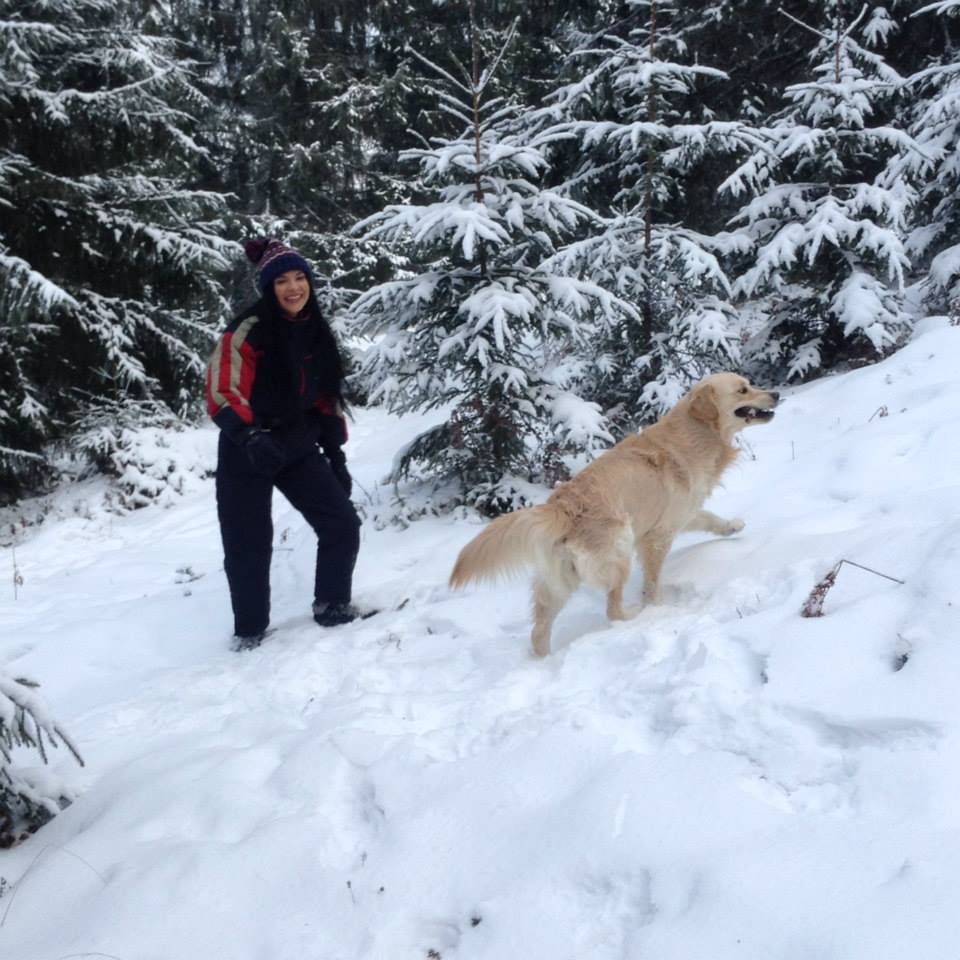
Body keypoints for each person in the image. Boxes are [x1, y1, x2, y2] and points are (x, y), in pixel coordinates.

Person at [206, 238, 362, 649]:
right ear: (268, 288)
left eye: (300, 278)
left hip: (295, 443)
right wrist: (249, 435)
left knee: (342, 523)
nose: (293, 288)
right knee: (248, 544)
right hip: (247, 450)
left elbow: (326, 399)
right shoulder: (248, 330)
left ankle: (332, 605)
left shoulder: (315, 331)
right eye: (282, 281)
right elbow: (223, 389)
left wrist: (336, 456)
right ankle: (251, 631)